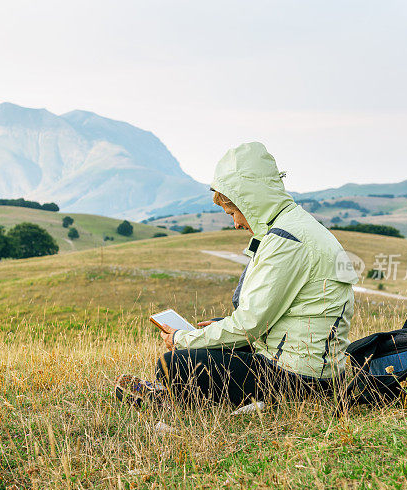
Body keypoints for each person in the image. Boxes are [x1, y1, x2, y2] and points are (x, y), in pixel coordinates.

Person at [115, 142, 358, 407]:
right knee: (206, 346)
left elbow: (249, 325)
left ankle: (168, 399)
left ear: (249, 202)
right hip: (315, 372)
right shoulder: (299, 226)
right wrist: (219, 329)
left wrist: (182, 339)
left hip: (298, 380)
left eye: (233, 212)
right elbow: (274, 317)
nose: (236, 224)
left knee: (171, 362)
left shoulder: (286, 241)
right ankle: (174, 395)